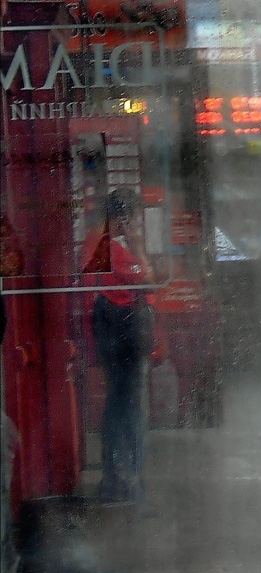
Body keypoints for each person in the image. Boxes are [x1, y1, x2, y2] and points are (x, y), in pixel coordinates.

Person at [84, 188, 155, 502]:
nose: (138, 223)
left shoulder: (96, 243)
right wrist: (139, 245)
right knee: (127, 406)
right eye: (135, 217)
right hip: (124, 331)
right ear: (124, 218)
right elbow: (147, 277)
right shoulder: (115, 249)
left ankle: (117, 475)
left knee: (118, 402)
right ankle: (125, 476)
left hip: (109, 331)